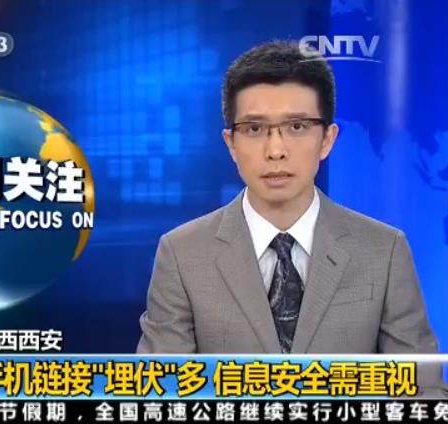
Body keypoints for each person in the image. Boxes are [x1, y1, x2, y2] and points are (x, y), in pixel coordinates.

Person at [137, 40, 446, 395]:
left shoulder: (384, 250)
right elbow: (159, 394)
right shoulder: (182, 254)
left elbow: (423, 392)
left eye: (297, 127)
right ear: (231, 143)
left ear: (327, 139)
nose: (276, 150)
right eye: (254, 129)